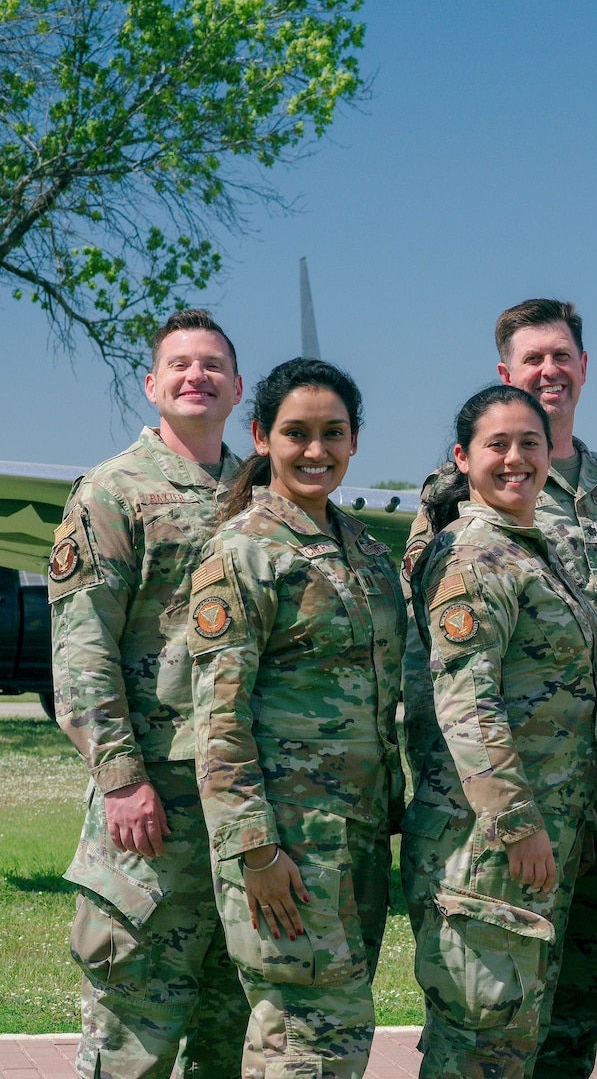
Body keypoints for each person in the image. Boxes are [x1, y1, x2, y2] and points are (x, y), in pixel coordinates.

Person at [403, 298, 597, 1079]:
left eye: (562, 356)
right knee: (486, 1025)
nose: (550, 370)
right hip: (504, 816)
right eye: (532, 359)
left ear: (583, 368)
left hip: (596, 804)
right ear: (505, 373)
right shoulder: (461, 505)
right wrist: (495, 811)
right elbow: (444, 671)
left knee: (573, 1013)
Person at [188, 359, 405, 1079]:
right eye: (296, 433)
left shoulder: (368, 557)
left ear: (354, 442)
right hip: (287, 850)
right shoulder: (243, 551)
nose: (316, 450)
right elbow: (219, 717)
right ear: (260, 437)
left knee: (317, 1040)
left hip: (357, 843)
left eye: (332, 433)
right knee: (311, 1042)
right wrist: (254, 849)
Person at [48, 308, 250, 1079]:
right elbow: (82, 651)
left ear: (237, 388)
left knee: (226, 1038)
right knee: (136, 1037)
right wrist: (123, 779)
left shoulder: (256, 497)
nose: (196, 375)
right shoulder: (113, 492)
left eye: (211, 365)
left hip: (239, 807)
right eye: (180, 364)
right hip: (152, 812)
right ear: (152, 385)